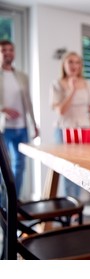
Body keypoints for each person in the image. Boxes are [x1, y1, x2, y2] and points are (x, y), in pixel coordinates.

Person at [50, 51, 90, 198]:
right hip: (64, 130)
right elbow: (60, 111)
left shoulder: (87, 84)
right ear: (64, 65)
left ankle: (77, 204)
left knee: (81, 170)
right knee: (67, 170)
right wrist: (71, 90)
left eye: (77, 62)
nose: (74, 65)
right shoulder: (57, 84)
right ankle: (70, 204)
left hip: (84, 130)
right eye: (70, 62)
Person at [0, 40, 39, 198]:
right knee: (4, 168)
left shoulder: (22, 76)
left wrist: (34, 124)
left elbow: (28, 101)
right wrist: (3, 109)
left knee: (20, 166)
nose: (8, 53)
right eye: (4, 50)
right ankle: (4, 204)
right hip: (3, 128)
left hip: (22, 127)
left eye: (11, 49)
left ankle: (13, 201)